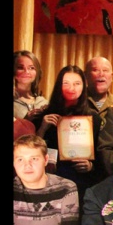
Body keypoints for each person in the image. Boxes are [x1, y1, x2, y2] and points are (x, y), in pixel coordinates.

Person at [33, 64, 103, 208]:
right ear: (59, 85)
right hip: (50, 180)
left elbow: (101, 154)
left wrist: (90, 166)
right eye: (66, 83)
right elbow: (32, 149)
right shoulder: (45, 116)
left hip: (81, 181)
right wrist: (42, 128)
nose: (72, 88)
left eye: (77, 83)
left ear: (84, 86)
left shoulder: (93, 118)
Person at [84, 56, 113, 128]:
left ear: (112, 76)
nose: (101, 74)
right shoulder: (76, 102)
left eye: (105, 70)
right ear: (85, 75)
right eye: (95, 70)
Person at [14, 50, 48, 121]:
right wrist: (25, 120)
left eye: (31, 68)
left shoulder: (43, 102)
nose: (27, 72)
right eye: (20, 68)